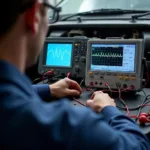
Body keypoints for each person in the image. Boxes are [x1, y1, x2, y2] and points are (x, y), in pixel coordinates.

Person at [0, 0, 149, 149]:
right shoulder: (69, 126)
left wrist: (49, 89)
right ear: (34, 16)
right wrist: (108, 109)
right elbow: (138, 146)